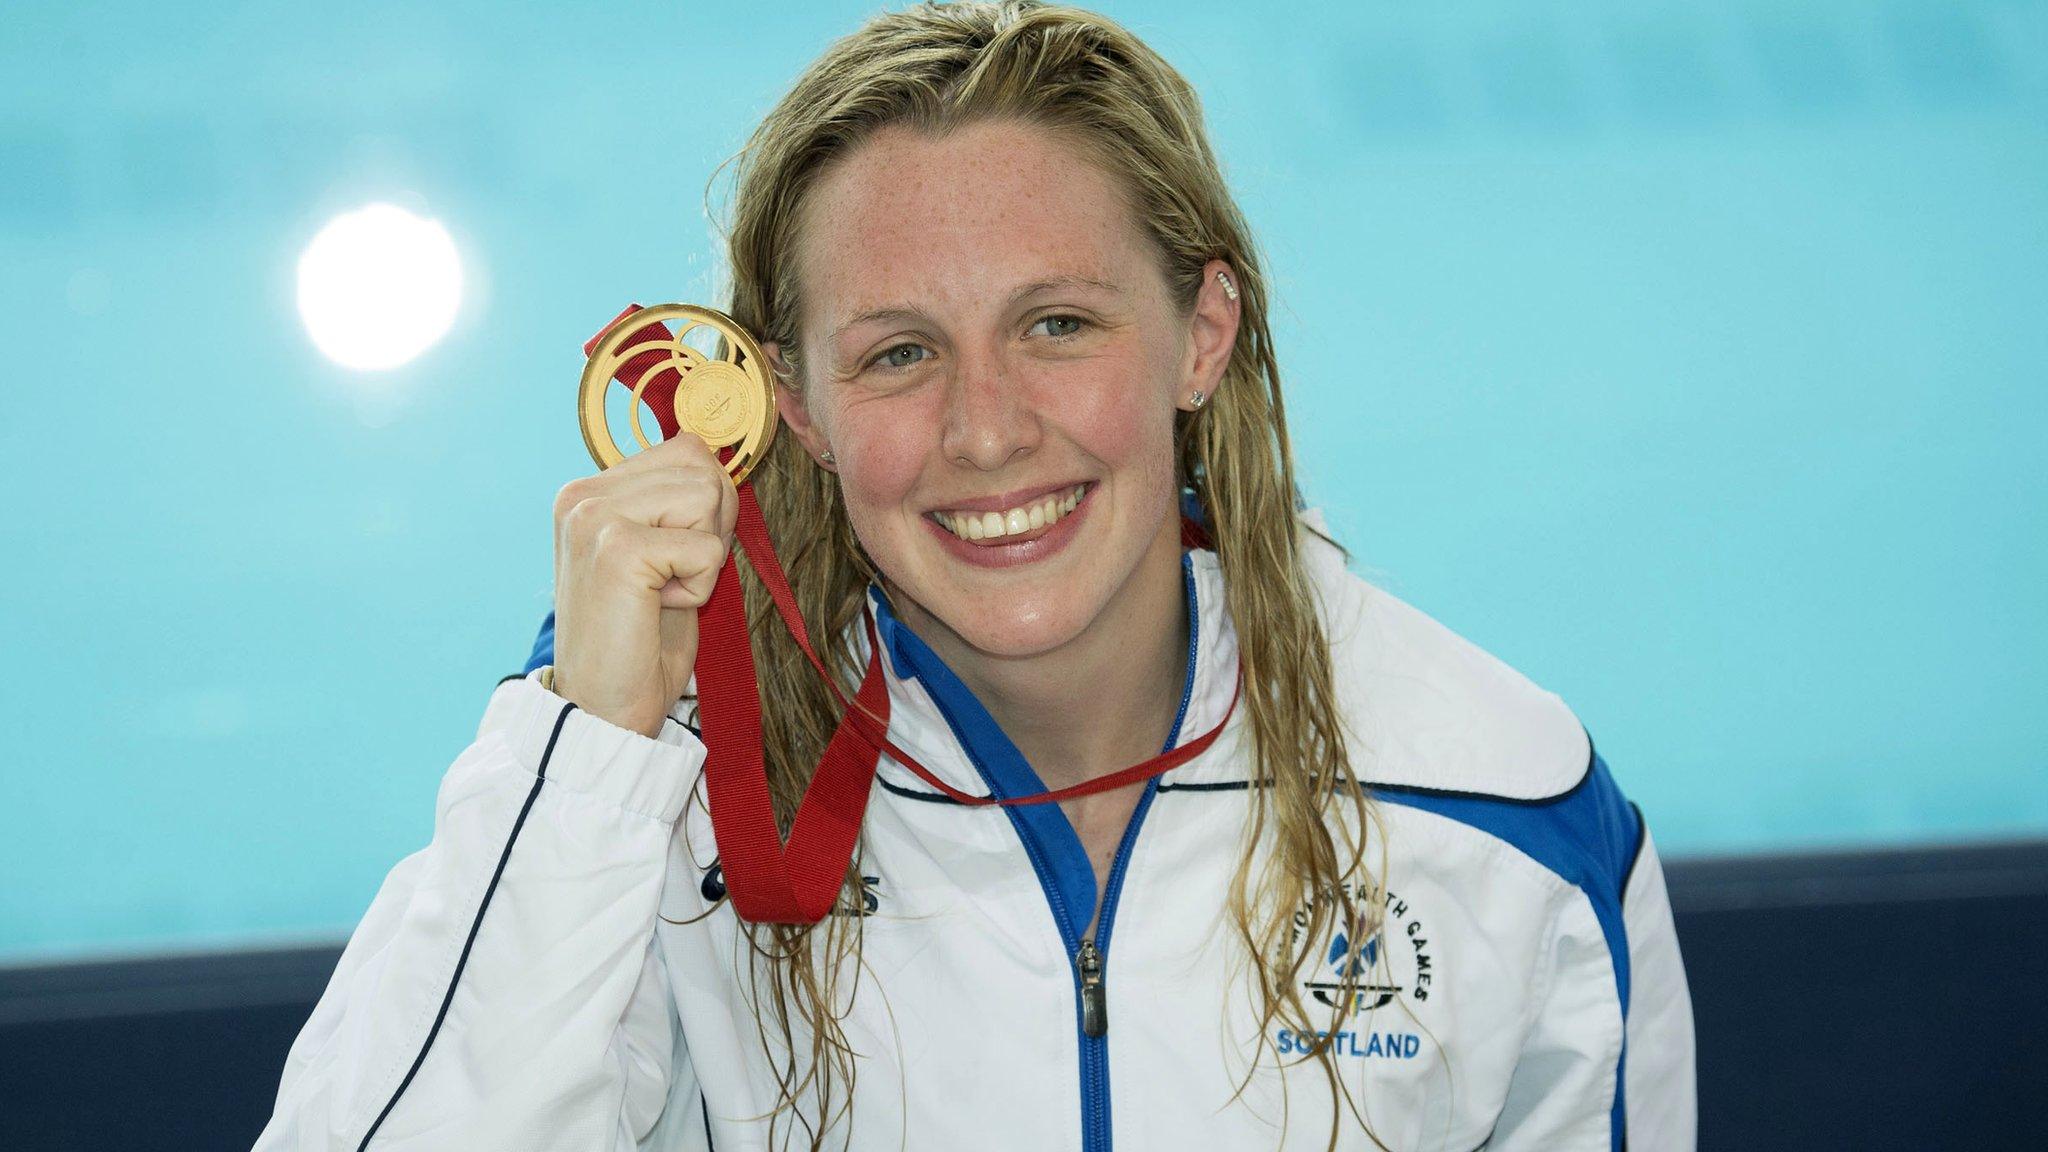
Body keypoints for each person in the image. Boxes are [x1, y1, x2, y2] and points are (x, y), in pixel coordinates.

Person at [253, 2, 1696, 1149]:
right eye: (897, 352)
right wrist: (583, 742)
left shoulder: (1500, 813)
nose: (988, 428)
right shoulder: (670, 796)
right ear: (792, 410)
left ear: (1202, 334)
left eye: (1059, 324)